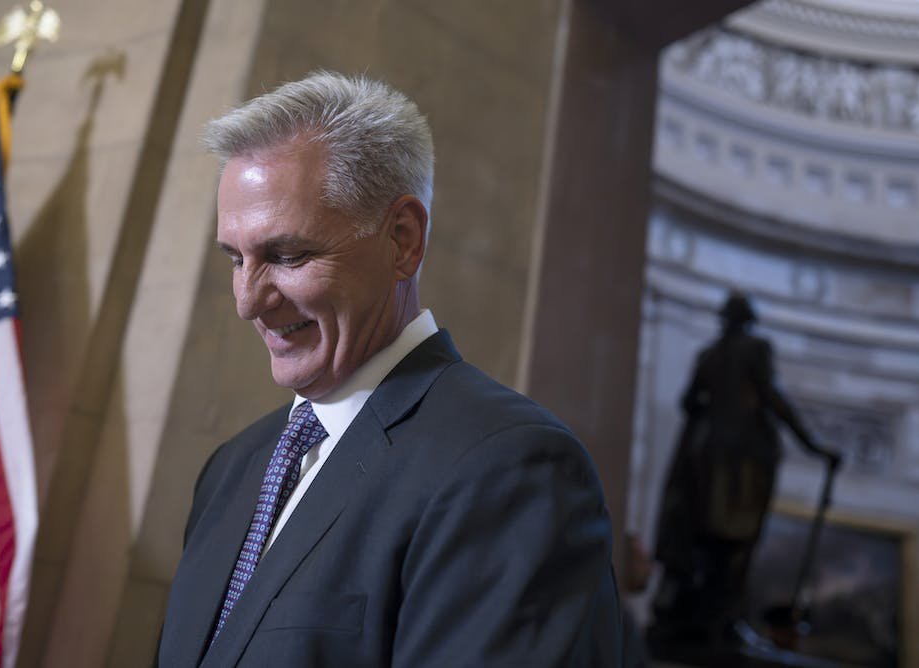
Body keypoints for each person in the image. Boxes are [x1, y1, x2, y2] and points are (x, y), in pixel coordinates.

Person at [156, 71, 624, 666]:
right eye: (235, 259)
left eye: (287, 255)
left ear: (402, 240)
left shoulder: (511, 468)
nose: (248, 302)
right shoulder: (232, 467)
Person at [650, 292, 841, 650]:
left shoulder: (707, 355)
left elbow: (688, 402)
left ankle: (702, 622)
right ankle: (721, 624)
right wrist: (813, 445)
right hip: (744, 458)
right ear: (749, 321)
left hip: (702, 457)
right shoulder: (757, 348)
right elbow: (773, 397)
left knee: (707, 540)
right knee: (736, 543)